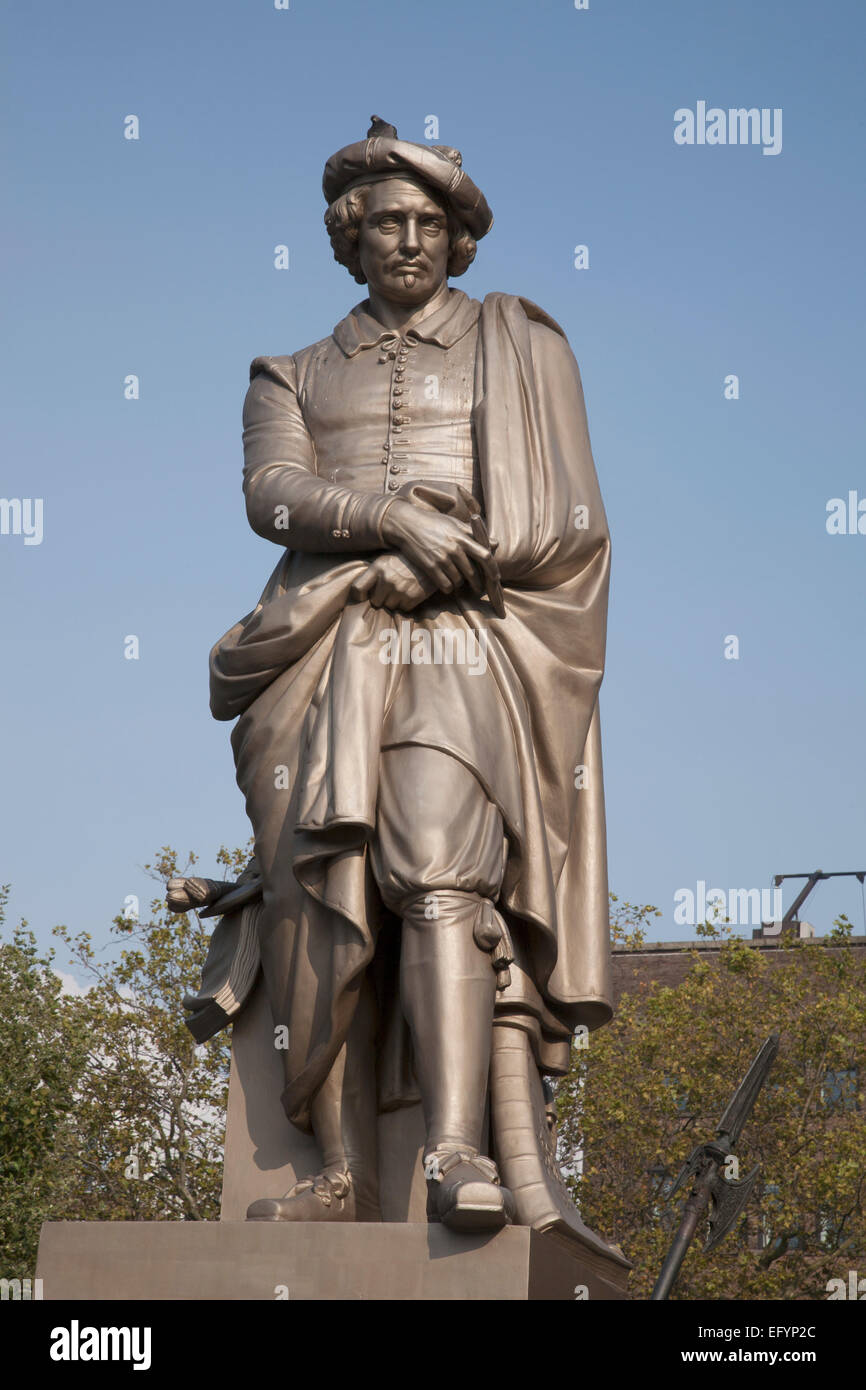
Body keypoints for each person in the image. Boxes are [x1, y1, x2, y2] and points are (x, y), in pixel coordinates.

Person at [202, 117, 612, 1233]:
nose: (410, 239)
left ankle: (452, 1148)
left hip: (462, 641)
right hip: (315, 651)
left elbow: (566, 521)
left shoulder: (518, 346)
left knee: (438, 871)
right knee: (312, 906)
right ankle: (336, 1173)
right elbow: (270, 497)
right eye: (387, 221)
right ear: (348, 236)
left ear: (459, 238)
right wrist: (384, 520)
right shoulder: (285, 373)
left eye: (432, 222)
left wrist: (436, 561)